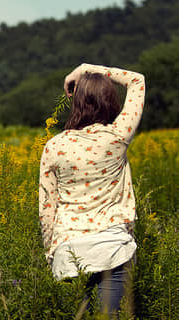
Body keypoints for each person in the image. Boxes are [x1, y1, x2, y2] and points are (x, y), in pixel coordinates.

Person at [38, 63, 145, 315]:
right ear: (110, 101)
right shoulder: (117, 137)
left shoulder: (54, 146)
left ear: (76, 103)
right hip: (113, 250)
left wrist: (50, 253)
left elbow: (46, 209)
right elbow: (137, 81)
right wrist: (87, 68)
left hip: (69, 252)